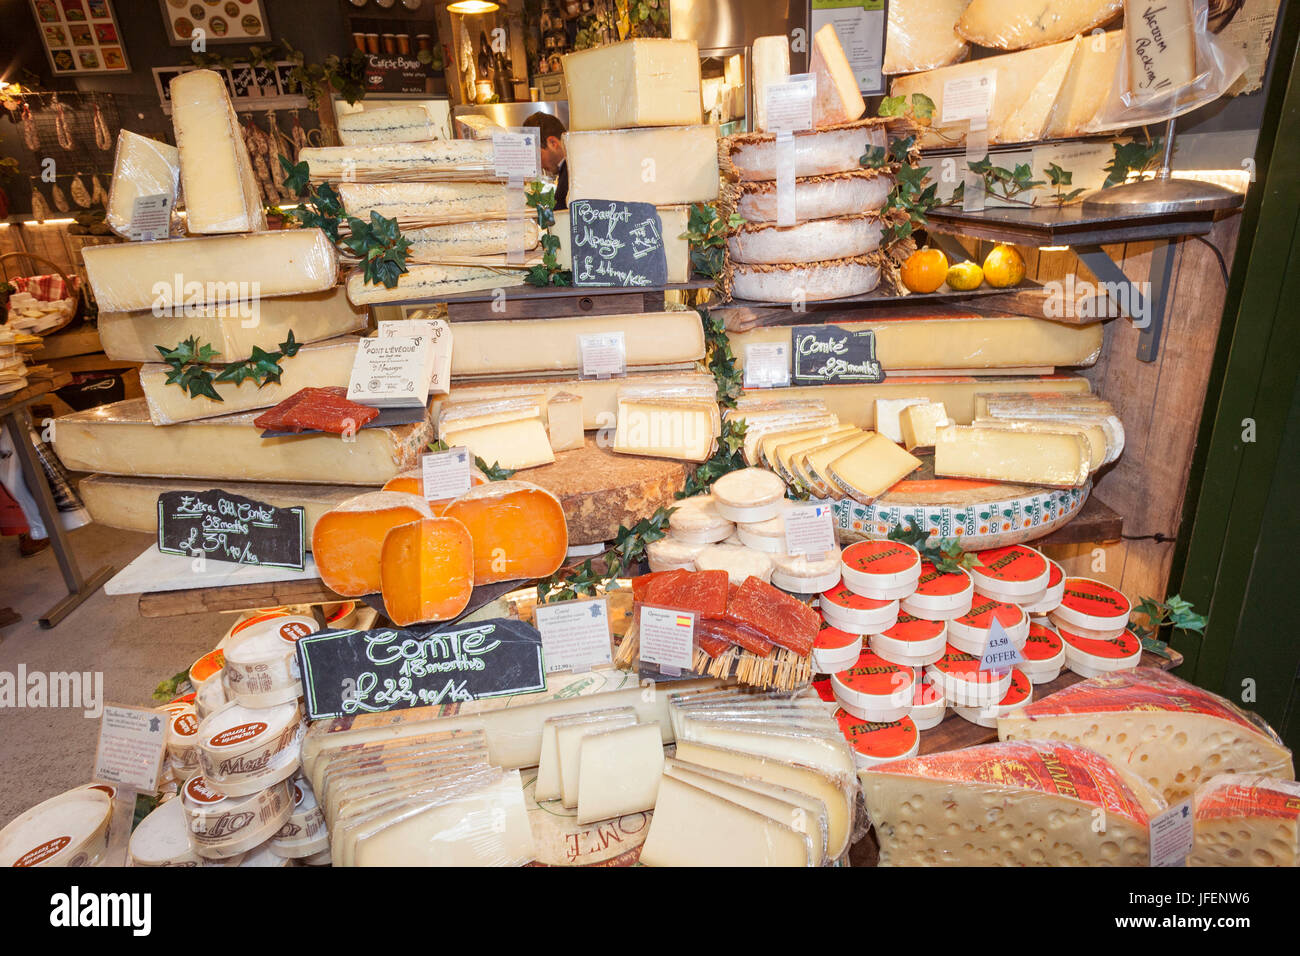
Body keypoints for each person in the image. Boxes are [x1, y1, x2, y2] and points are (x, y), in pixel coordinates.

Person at [522, 111, 568, 209]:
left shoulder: (571, 172)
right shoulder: (566, 168)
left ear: (553, 143)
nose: (539, 165)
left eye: (538, 156)